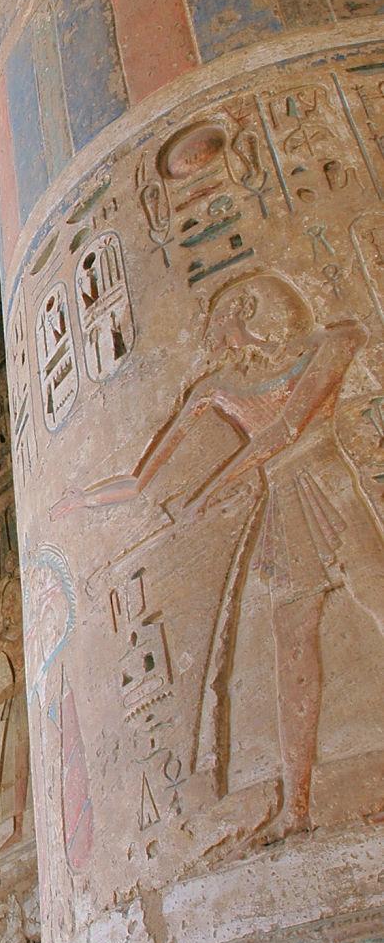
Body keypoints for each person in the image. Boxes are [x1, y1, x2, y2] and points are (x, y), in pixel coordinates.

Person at [55, 272, 384, 827]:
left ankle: (301, 805)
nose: (224, 341)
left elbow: (283, 430)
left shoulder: (332, 344)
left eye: (227, 326)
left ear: (250, 312)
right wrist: (83, 500)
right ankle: (297, 808)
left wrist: (210, 490)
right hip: (286, 510)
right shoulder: (216, 389)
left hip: (329, 489)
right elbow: (142, 480)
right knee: (293, 651)